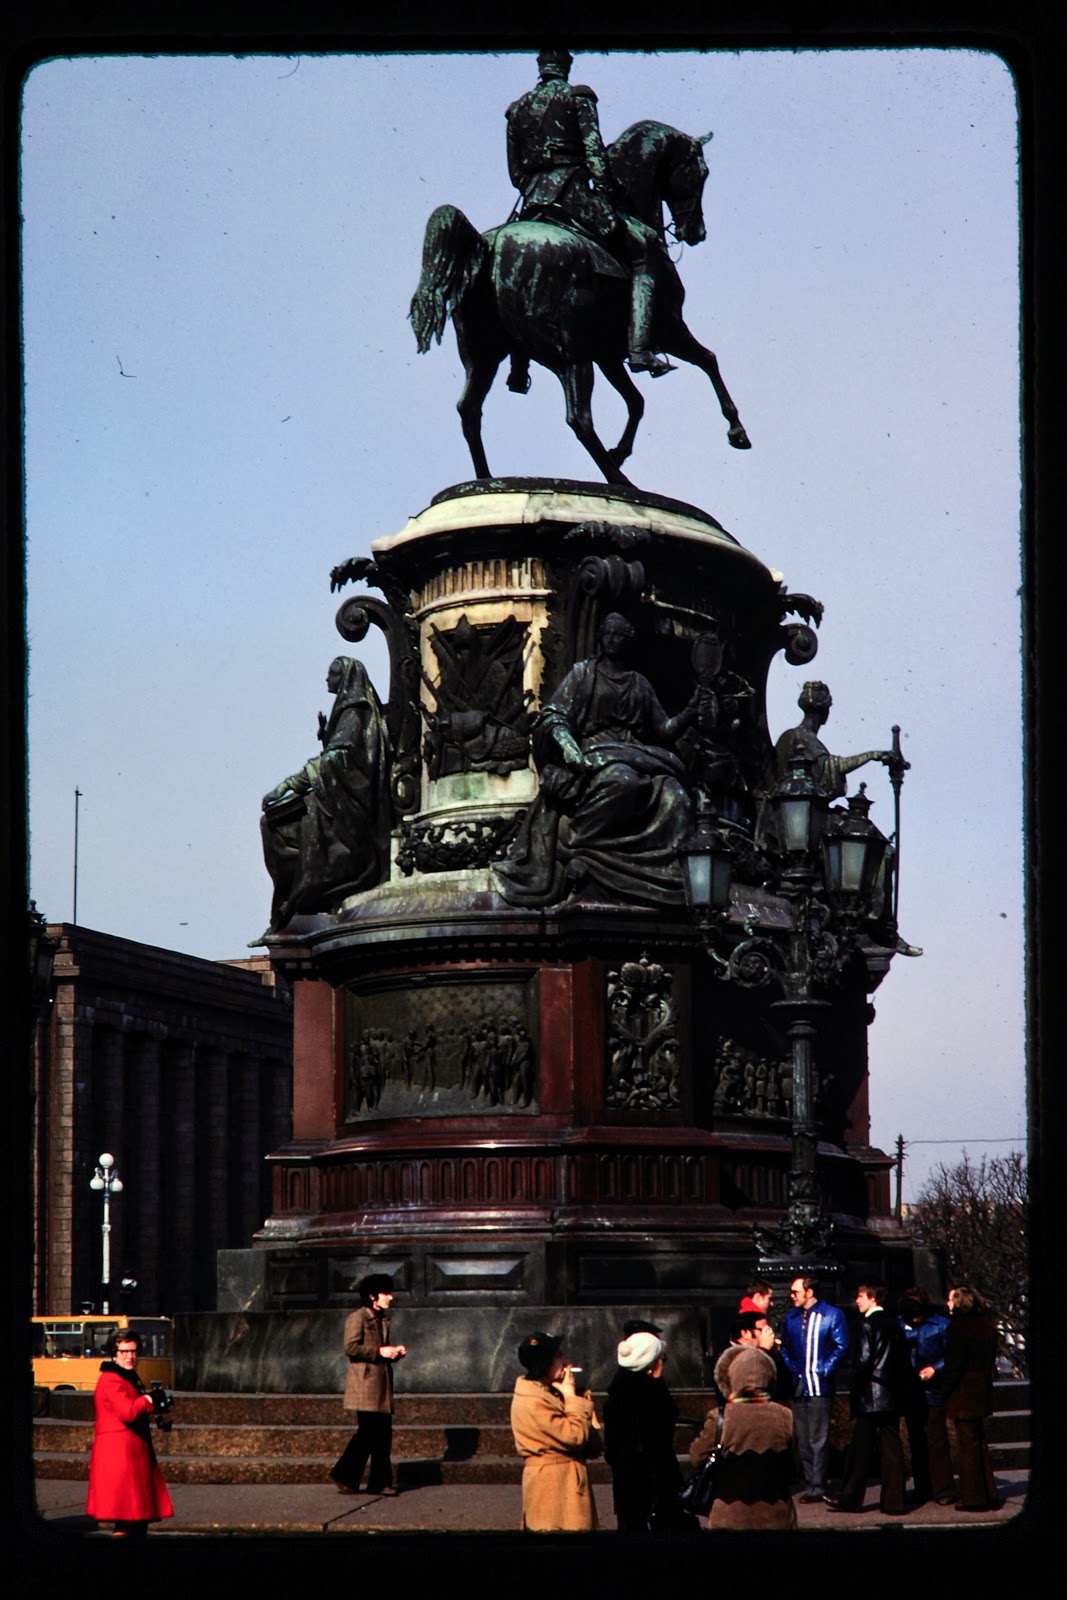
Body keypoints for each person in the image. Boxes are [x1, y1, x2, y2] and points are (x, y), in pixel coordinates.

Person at [494, 613, 703, 908]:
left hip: (639, 755)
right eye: (609, 634)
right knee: (624, 782)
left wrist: (691, 711)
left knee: (676, 796)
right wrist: (567, 746)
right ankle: (582, 846)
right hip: (596, 756)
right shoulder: (584, 674)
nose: (614, 640)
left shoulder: (639, 683)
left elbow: (663, 730)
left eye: (620, 636)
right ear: (601, 638)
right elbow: (553, 715)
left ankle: (668, 873)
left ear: (628, 641)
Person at [505, 48, 672, 376]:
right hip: (574, 195)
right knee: (644, 247)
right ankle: (639, 351)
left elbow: (515, 174)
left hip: (532, 202)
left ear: (541, 69)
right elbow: (594, 152)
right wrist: (607, 192)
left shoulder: (517, 109)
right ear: (566, 68)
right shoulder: (577, 97)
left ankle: (518, 363)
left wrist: (535, 186)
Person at [261, 655, 391, 931]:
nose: (327, 679)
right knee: (276, 825)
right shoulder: (348, 712)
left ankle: (304, 897)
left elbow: (339, 759)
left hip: (349, 804)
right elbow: (337, 759)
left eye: (332, 674)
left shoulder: (355, 710)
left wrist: (288, 785)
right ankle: (296, 899)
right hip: (336, 797)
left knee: (286, 825)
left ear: (344, 679)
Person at [689, 1347, 797, 1530]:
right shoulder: (785, 1416)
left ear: (733, 1377)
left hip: (728, 1516)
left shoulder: (721, 1417)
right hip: (777, 1515)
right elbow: (794, 1464)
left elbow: (695, 1456)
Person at [827, 1284, 910, 1514]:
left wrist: (854, 1387)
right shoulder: (896, 1323)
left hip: (870, 1394)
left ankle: (850, 1497)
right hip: (891, 1395)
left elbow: (863, 1361)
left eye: (861, 1296)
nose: (857, 1301)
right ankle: (895, 1501)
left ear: (872, 1298)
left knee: (860, 1449)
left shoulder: (866, 1324)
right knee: (891, 1447)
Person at [85, 1328, 174, 1538]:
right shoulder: (111, 1380)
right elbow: (129, 1411)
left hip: (132, 1454)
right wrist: (150, 1399)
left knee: (139, 1518)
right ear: (113, 1353)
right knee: (125, 1519)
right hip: (121, 1456)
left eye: (133, 1351)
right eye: (124, 1351)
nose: (130, 1356)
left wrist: (153, 1403)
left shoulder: (125, 1377)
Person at [510, 1331, 601, 1531]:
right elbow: (574, 1436)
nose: (566, 1362)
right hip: (552, 1486)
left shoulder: (550, 1393)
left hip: (566, 1479)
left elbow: (593, 1444)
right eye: (559, 1356)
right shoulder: (533, 1401)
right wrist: (571, 1400)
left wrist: (577, 1400)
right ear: (545, 1365)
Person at [331, 1273, 407, 1496]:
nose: (390, 1297)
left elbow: (379, 1350)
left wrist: (393, 1352)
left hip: (380, 1385)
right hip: (365, 1385)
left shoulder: (381, 1318)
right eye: (385, 1293)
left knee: (382, 1434)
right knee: (368, 1433)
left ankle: (378, 1482)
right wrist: (378, 1351)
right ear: (373, 1296)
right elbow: (350, 1348)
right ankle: (344, 1474)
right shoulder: (358, 1318)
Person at [603, 1328, 684, 1534]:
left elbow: (611, 1448)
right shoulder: (653, 1396)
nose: (663, 1363)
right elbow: (659, 1442)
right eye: (662, 1358)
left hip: (626, 1483)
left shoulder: (616, 1395)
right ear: (651, 1363)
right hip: (653, 1484)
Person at [780, 1275, 849, 1503]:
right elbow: (786, 1349)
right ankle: (811, 1481)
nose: (792, 1296)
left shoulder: (832, 1315)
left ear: (809, 1292)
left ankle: (817, 1485)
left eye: (795, 1292)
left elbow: (841, 1346)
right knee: (803, 1438)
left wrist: (823, 1369)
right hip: (799, 1384)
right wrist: (794, 1369)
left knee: (818, 1438)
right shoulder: (791, 1318)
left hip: (819, 1384)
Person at [941, 1284, 1001, 1511]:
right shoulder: (986, 1327)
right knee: (979, 1442)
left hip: (964, 1392)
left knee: (967, 1445)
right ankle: (988, 1492)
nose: (947, 1304)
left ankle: (973, 1497)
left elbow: (954, 1365)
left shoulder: (957, 1328)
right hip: (981, 1389)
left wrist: (944, 1390)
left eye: (950, 1300)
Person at [897, 1286, 955, 1506]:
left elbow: (950, 1354)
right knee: (916, 1441)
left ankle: (943, 1488)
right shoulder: (902, 1324)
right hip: (912, 1389)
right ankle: (924, 1487)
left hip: (933, 1389)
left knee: (937, 1440)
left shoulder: (940, 1325)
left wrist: (935, 1369)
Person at [712, 1313, 779, 1402]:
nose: (766, 1335)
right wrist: (764, 1350)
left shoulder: (769, 1352)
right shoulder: (727, 1357)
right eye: (761, 1330)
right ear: (745, 1333)